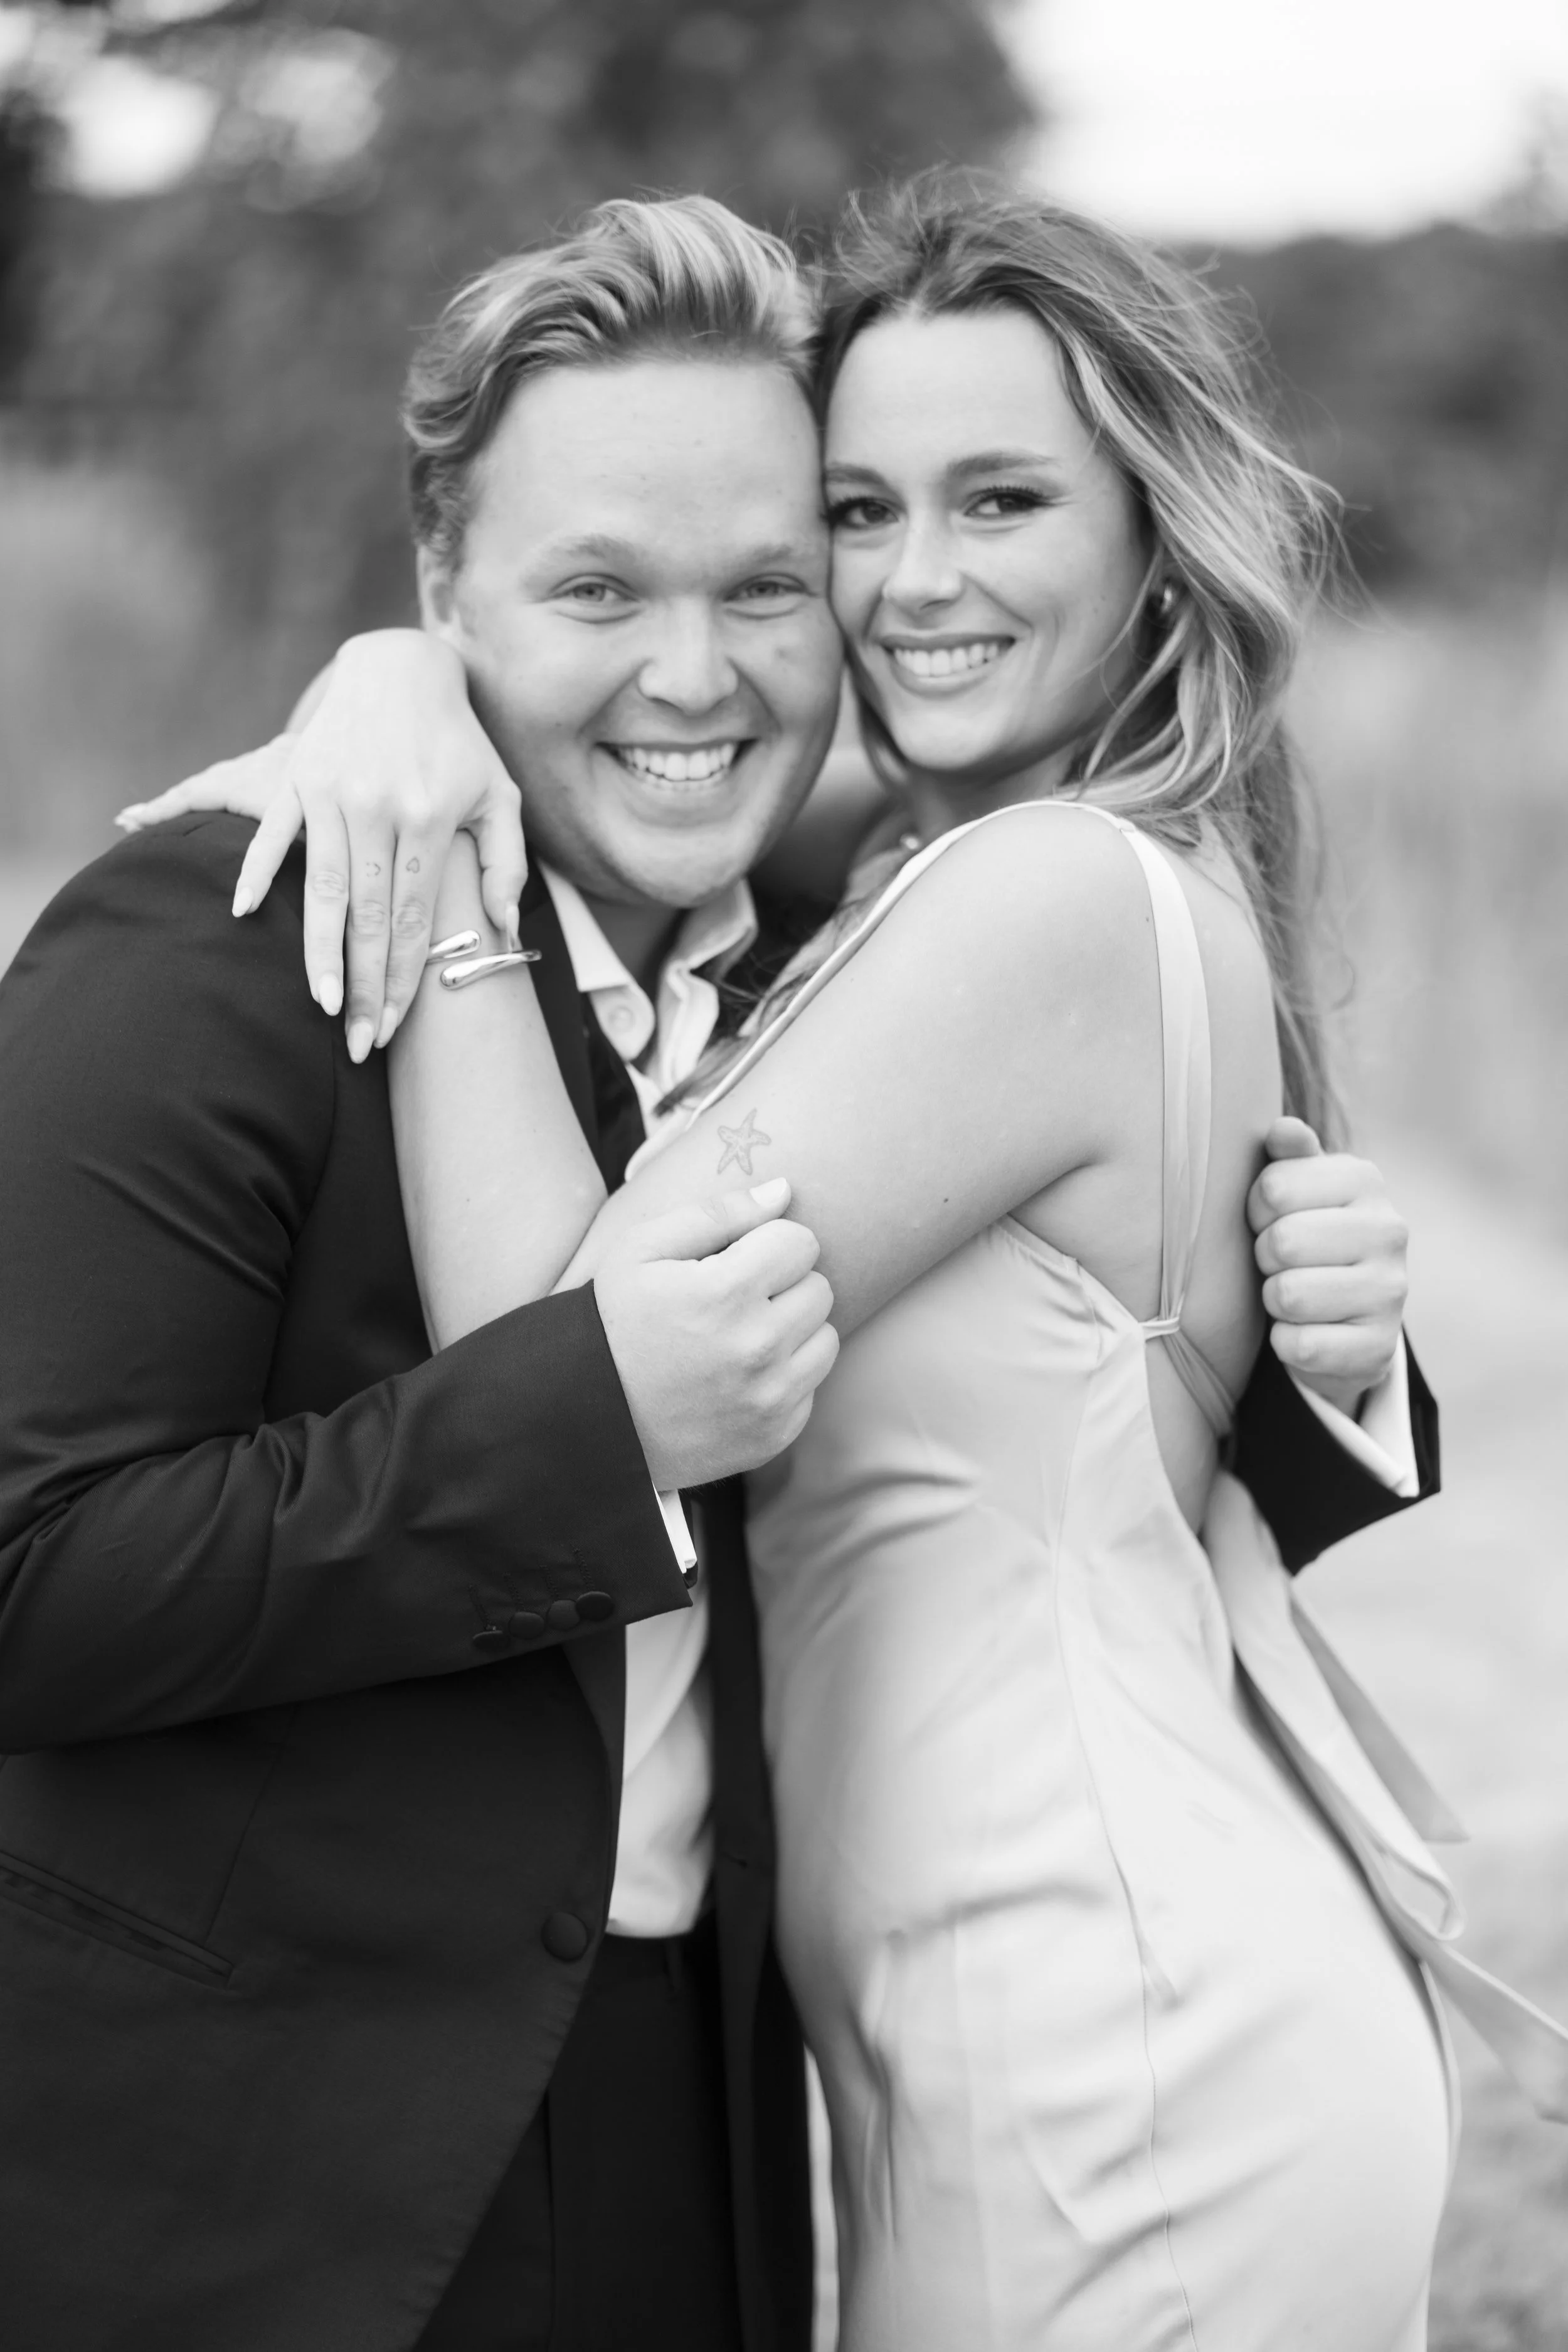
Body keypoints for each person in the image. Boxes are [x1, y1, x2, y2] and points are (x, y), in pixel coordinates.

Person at [95, 195, 1439, 2351]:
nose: (915, 585)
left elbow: (567, 1354)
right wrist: (403, 665)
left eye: (1001, 500)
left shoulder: (1036, 902)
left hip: (1107, 2018)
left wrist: (437, 820)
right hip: (962, 2012)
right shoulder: (901, 875)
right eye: (858, 511)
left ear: (1149, 536)